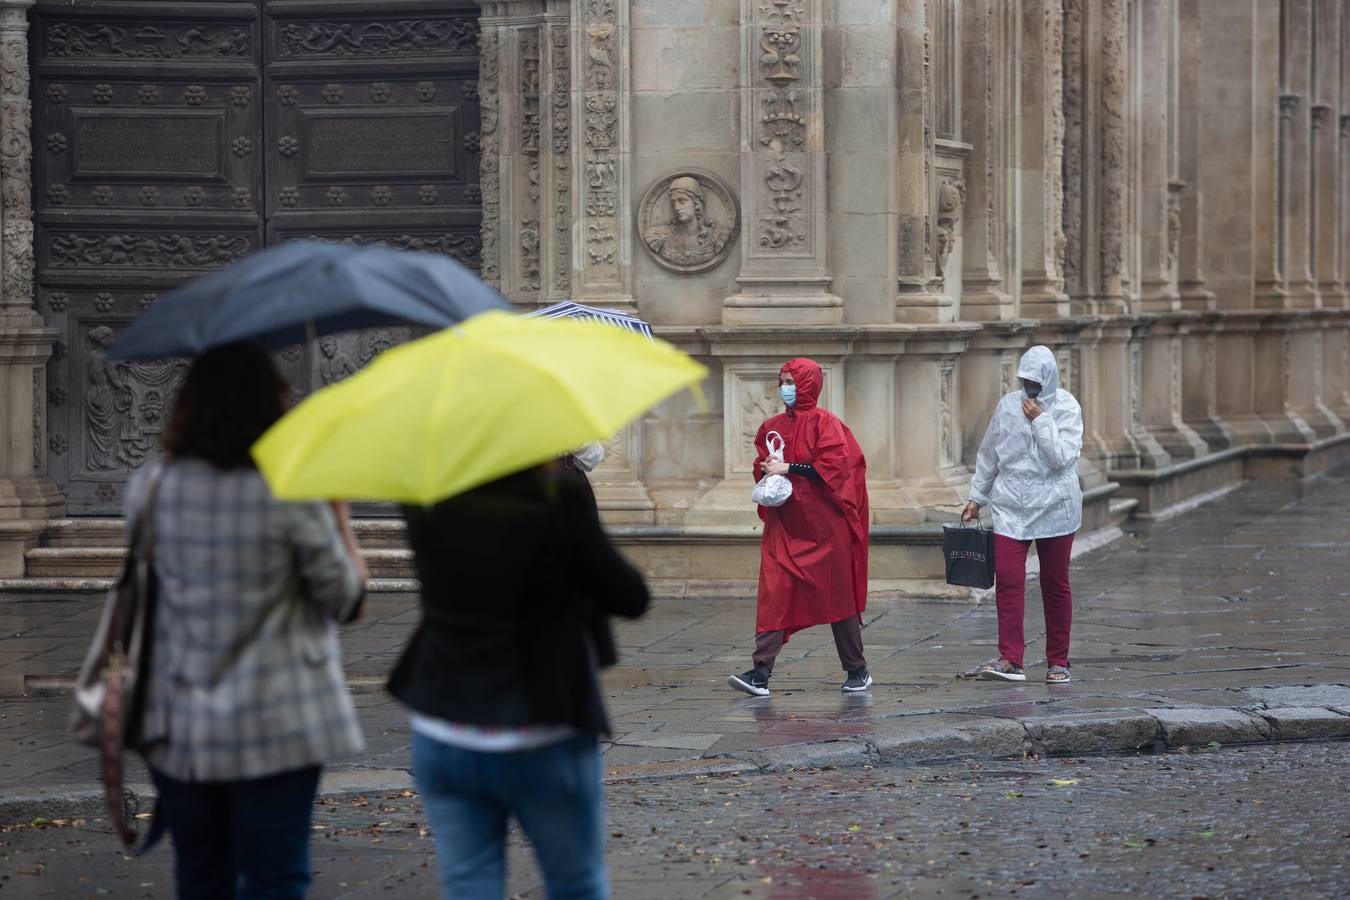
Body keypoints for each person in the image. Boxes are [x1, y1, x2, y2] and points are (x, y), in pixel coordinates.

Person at [126, 342, 368, 899]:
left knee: (200, 875)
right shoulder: (291, 490)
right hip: (278, 724)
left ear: (186, 404)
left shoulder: (152, 488)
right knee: (275, 877)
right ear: (274, 405)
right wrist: (340, 515)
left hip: (180, 718)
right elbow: (346, 599)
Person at [390, 461, 651, 899]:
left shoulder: (425, 496)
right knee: (576, 883)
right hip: (541, 728)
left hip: (444, 726)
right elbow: (629, 595)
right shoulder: (556, 499)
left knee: (468, 882)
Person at [728, 358, 871, 697]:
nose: (784, 388)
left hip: (825, 528)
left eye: (791, 381)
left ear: (808, 383)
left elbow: (833, 468)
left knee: (838, 599)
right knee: (774, 594)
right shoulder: (772, 426)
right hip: (786, 525)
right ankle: (761, 672)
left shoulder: (828, 425)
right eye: (782, 381)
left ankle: (857, 668)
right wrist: (766, 468)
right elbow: (764, 464)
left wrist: (787, 466)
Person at [962, 345, 1084, 684]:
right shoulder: (1006, 406)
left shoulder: (1067, 407)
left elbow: (1061, 457)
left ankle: (1058, 660)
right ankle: (1010, 658)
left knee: (1055, 582)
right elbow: (989, 454)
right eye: (1024, 380)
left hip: (1055, 506)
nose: (1029, 387)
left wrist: (1041, 420)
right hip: (1011, 505)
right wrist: (977, 497)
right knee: (1008, 578)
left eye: (1035, 381)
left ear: (1048, 380)